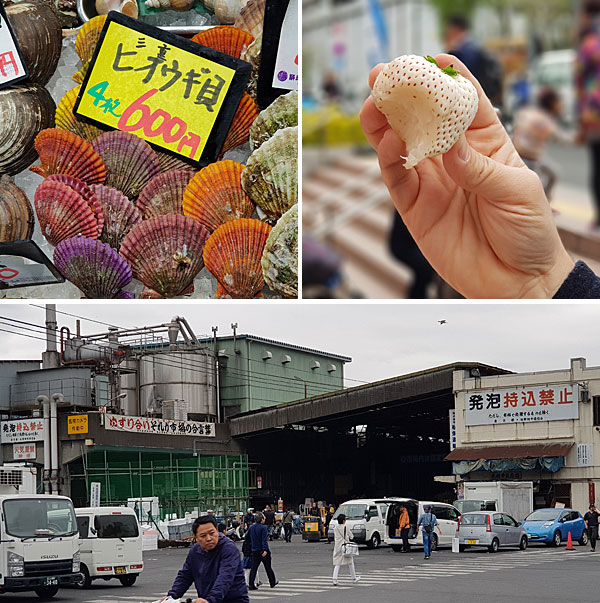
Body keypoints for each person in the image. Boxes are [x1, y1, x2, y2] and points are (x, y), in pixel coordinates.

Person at [359, 53, 600, 299]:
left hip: (508, 159)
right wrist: (540, 281)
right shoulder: (542, 119)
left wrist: (538, 280)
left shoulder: (522, 114)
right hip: (525, 161)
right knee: (545, 175)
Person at [164, 515, 249, 603]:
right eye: (203, 536)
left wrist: (210, 599)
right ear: (196, 537)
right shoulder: (195, 551)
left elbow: (225, 578)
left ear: (217, 530)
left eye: (212, 533)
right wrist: (172, 596)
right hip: (207, 599)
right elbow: (186, 575)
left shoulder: (229, 549)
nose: (208, 538)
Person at [512, 87, 573, 199]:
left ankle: (544, 200)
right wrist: (578, 139)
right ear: (551, 103)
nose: (560, 106)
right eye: (558, 102)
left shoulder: (527, 112)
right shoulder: (545, 120)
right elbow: (560, 138)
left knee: (553, 173)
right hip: (530, 160)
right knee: (535, 188)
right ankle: (542, 203)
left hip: (520, 155)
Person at [444, 14, 503, 108]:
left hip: (471, 99)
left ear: (454, 29)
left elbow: (460, 76)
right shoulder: (476, 46)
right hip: (484, 96)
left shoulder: (461, 51)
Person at [576, 0, 600, 228]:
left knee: (598, 165)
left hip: (595, 115)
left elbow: (580, 81)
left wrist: (580, 121)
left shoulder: (589, 43)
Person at [247, 513, 278, 591]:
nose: (264, 519)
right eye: (264, 518)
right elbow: (264, 540)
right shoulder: (263, 528)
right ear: (261, 520)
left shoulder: (251, 527)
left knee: (253, 568)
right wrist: (264, 549)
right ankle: (272, 582)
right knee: (268, 567)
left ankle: (251, 584)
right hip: (263, 551)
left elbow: (247, 538)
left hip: (254, 551)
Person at [332, 513, 360, 586]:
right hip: (345, 547)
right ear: (344, 520)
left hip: (337, 546)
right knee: (350, 562)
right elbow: (351, 536)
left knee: (337, 563)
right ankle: (354, 578)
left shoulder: (335, 528)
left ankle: (334, 579)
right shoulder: (345, 527)